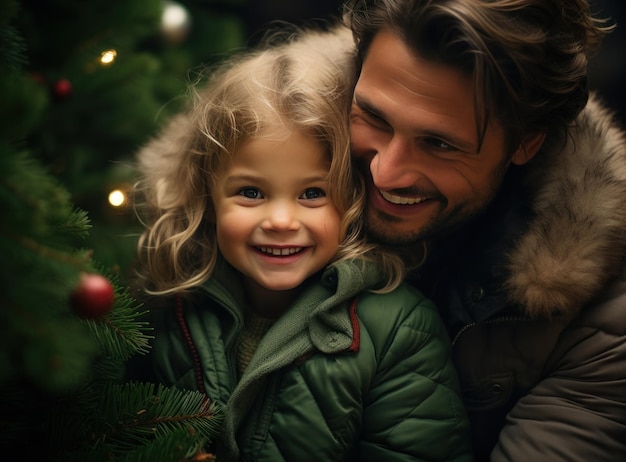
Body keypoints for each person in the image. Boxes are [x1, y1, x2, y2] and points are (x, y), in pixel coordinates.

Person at [129, 24, 472, 461]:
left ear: (349, 198)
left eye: (312, 193)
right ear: (208, 199)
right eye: (251, 192)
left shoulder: (397, 330)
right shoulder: (171, 300)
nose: (280, 221)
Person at [330, 0, 626, 460]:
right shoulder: (241, 153)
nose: (386, 173)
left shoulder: (604, 328)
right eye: (374, 118)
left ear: (526, 142)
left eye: (439, 144)